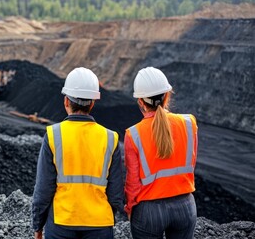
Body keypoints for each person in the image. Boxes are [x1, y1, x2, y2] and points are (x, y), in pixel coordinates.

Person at [32, 67, 124, 239]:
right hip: (99, 224)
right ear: (93, 103)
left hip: (62, 223)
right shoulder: (111, 138)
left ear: (66, 101)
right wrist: (106, 218)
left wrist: (38, 226)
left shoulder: (53, 135)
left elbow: (43, 189)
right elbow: (116, 193)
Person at [124, 67, 198, 239]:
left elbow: (133, 183)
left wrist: (129, 208)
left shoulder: (133, 134)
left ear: (141, 101)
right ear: (167, 95)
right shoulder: (189, 123)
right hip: (185, 205)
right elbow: (191, 163)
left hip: (149, 210)